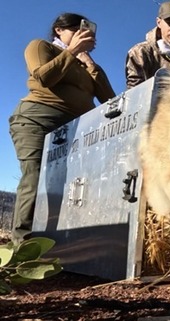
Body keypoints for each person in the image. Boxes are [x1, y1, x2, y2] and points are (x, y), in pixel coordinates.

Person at [9, 13, 116, 244]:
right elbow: (44, 78)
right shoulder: (41, 46)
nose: (83, 35)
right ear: (59, 30)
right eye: (77, 30)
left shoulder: (86, 64)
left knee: (74, 185)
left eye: (87, 32)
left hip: (76, 129)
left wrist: (90, 65)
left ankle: (62, 245)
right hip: (37, 119)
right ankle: (23, 247)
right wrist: (71, 51)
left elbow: (109, 98)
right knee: (35, 177)